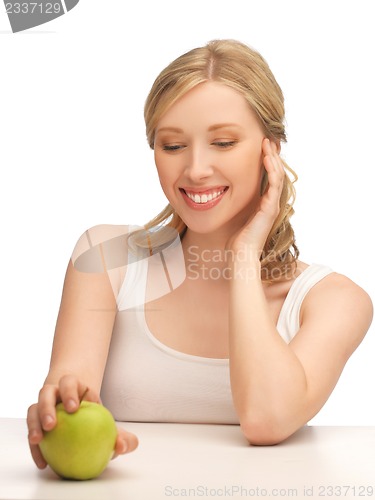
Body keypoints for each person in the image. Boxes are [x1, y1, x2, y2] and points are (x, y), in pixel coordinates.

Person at [27, 39, 373, 469]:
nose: (194, 170)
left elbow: (267, 420)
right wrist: (59, 409)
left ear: (272, 151)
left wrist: (244, 256)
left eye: (224, 142)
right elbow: (70, 389)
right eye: (172, 146)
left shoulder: (334, 301)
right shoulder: (104, 259)